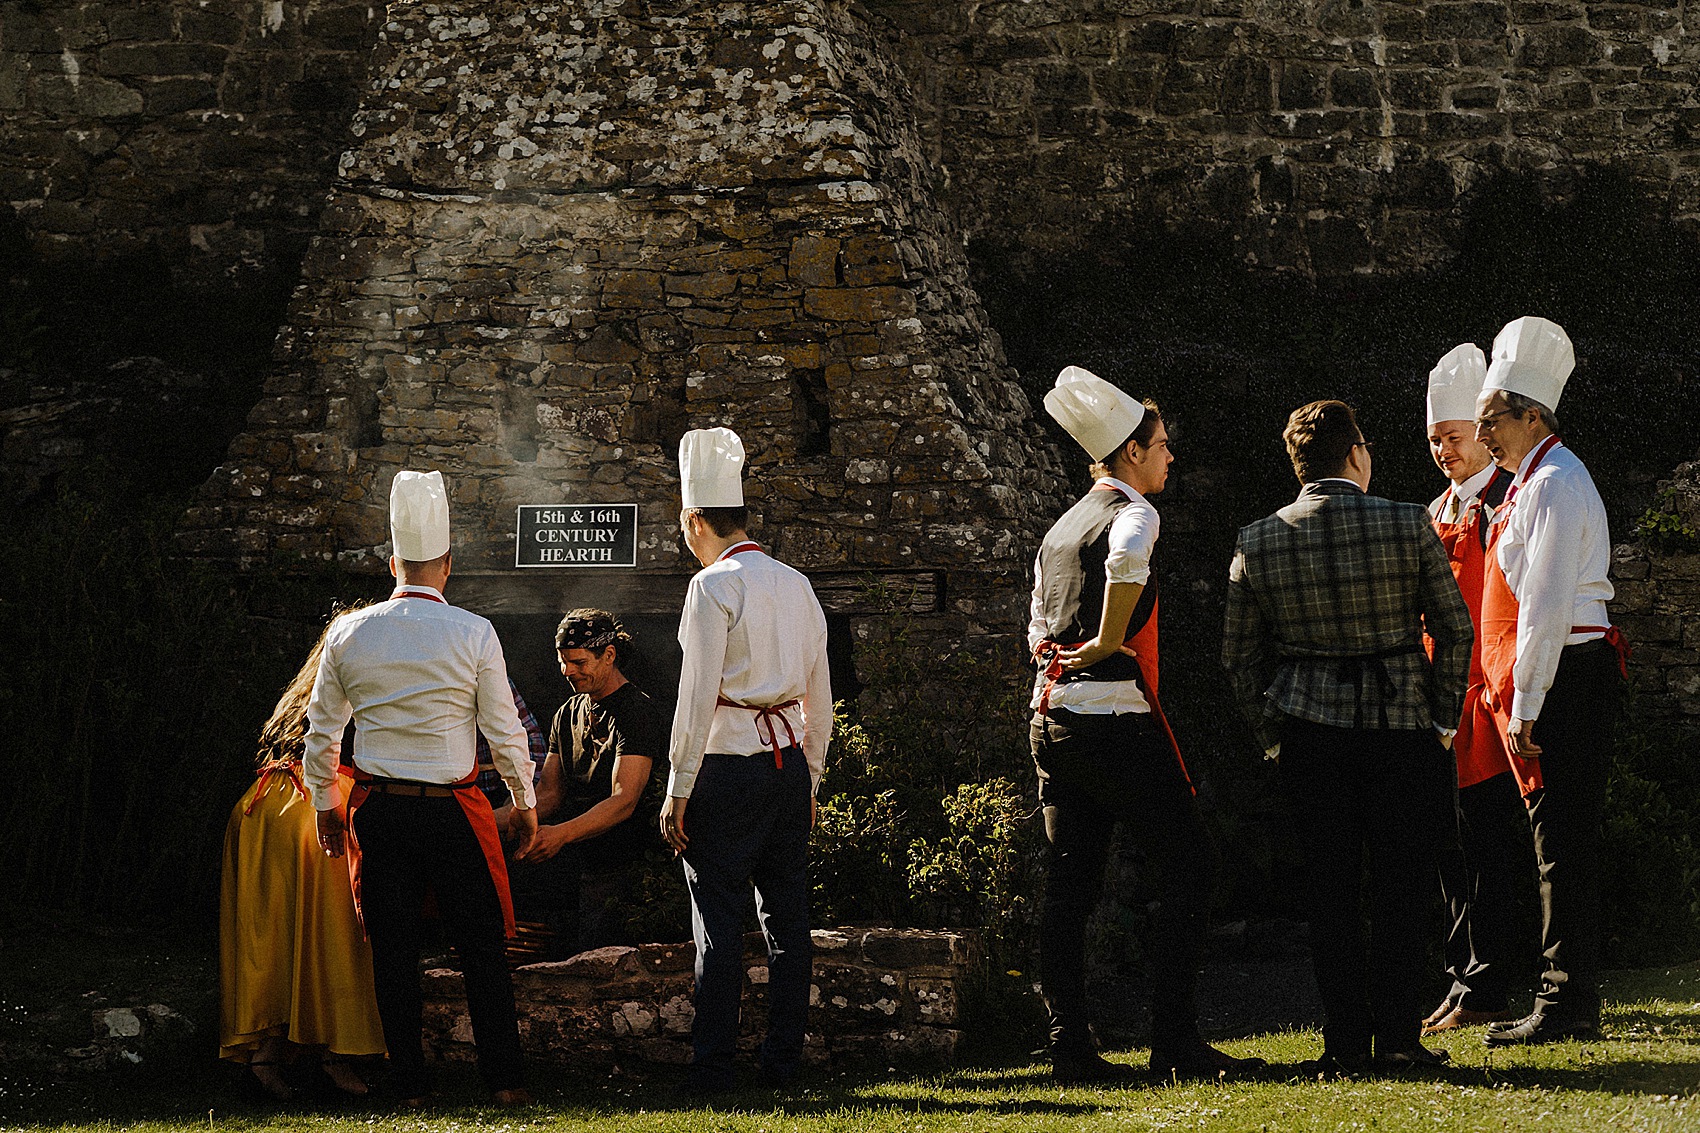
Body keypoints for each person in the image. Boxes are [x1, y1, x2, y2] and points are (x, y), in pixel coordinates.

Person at [1028, 366, 1265, 1084]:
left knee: (1069, 884)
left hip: (1053, 723)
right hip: (1117, 724)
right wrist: (1105, 641)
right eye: (1162, 445)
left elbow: (1037, 626)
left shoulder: (1062, 526)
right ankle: (1174, 1039)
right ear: (1130, 453)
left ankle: (1069, 1042)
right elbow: (1129, 558)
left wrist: (1068, 658)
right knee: (1193, 864)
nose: (1170, 457)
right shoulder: (1136, 512)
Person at [1223, 399, 1472, 1075]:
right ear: (1356, 452)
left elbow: (1239, 660)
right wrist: (1443, 719)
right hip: (1401, 728)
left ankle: (1342, 1041)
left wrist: (1272, 732)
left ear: (1298, 463)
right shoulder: (1405, 520)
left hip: (1310, 732)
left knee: (1328, 892)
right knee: (1401, 885)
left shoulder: (1257, 537)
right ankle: (1396, 1036)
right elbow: (1456, 627)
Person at [304, 470, 539, 1106]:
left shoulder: (349, 632)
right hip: (452, 811)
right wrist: (525, 803)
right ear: (448, 565)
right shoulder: (473, 632)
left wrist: (327, 805)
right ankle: (505, 1081)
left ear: (391, 564)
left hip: (379, 810)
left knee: (395, 950)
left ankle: (409, 1083)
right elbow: (504, 730)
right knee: (482, 945)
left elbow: (321, 732)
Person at [659, 427, 832, 1094]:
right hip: (788, 767)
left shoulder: (711, 586)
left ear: (693, 519)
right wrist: (811, 776)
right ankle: (782, 1065)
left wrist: (677, 789)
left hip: (726, 769)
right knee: (789, 924)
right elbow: (822, 694)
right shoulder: (797, 583)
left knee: (720, 926)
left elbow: (696, 695)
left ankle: (713, 1069)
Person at [1471, 317, 1626, 1047]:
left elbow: (1546, 607)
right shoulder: (1533, 480)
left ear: (1531, 414)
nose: (1485, 434)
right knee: (1554, 840)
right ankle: (1565, 994)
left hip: (1569, 673)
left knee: (1561, 841)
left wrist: (1526, 705)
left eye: (1491, 419)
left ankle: (1566, 1001)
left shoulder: (1557, 483)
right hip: (1561, 671)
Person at [219, 604, 383, 1100]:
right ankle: (332, 1054)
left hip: (265, 807)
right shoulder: (367, 675)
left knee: (276, 933)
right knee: (338, 931)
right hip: (318, 806)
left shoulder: (310, 680)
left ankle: (271, 1055)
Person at [1420, 344, 1532, 1036]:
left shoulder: (1503, 500)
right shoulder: (1441, 505)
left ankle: (1487, 984)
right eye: (1434, 440)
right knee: (1450, 854)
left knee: (1490, 851)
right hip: (1442, 700)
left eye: (1453, 437)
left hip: (1484, 703)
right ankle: (1462, 977)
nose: (1443, 451)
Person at [511, 608, 664, 958]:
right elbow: (548, 795)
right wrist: (490, 819)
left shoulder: (637, 712)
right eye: (563, 662)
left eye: (579, 662)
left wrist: (560, 834)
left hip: (623, 868)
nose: (568, 672)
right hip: (573, 869)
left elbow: (624, 799)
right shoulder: (567, 712)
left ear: (609, 655)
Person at [474, 679, 548, 815]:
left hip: (497, 793)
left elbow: (528, 734)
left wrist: (524, 797)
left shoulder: (480, 667)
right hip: (452, 793)